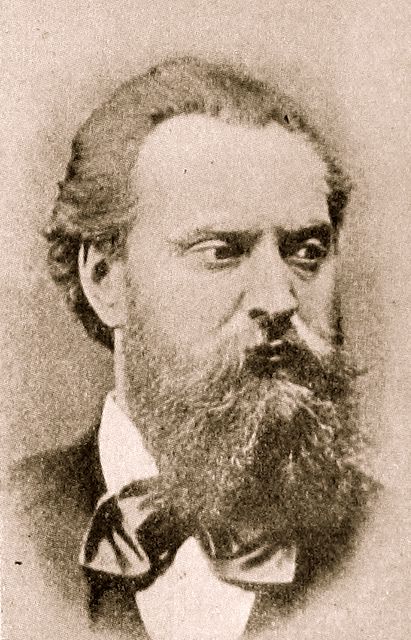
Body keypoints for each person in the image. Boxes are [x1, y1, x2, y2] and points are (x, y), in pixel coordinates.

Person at [12, 56, 378, 640]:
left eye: (306, 251)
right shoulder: (14, 528)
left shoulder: (389, 543)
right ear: (105, 279)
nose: (278, 298)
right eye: (220, 252)